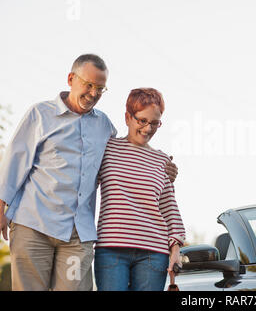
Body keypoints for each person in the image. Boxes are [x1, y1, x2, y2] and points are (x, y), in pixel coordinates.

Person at [0, 54, 178, 291]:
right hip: (34, 225)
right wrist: (2, 206)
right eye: (89, 85)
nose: (93, 94)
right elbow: (14, 161)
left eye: (100, 89)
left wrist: (165, 167)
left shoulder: (104, 125)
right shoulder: (40, 114)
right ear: (71, 79)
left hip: (77, 234)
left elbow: (128, 154)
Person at [94, 88, 185, 291]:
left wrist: (176, 249)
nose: (147, 128)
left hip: (153, 253)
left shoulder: (162, 161)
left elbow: (169, 208)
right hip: (111, 248)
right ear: (128, 117)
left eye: (154, 123)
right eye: (142, 120)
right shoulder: (106, 149)